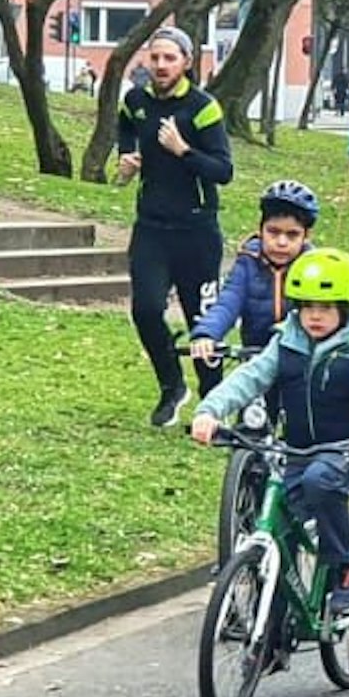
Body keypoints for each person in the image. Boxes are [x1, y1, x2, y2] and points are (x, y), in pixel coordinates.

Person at [191, 248, 349, 615]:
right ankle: (272, 632)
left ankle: (348, 573)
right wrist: (209, 411)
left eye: (326, 308)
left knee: (320, 483)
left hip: (348, 450)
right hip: (296, 449)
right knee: (276, 514)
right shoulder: (287, 340)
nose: (314, 316)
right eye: (306, 306)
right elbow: (250, 378)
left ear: (346, 307)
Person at [116, 26, 234, 428]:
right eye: (156, 57)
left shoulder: (202, 108)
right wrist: (127, 158)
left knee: (203, 321)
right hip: (151, 228)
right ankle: (172, 386)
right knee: (146, 310)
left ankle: (213, 400)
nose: (162, 65)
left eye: (170, 58)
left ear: (186, 62)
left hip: (196, 232)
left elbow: (223, 171)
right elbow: (126, 126)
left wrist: (183, 150)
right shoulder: (136, 101)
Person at [188, 179, 319, 377]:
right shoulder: (247, 263)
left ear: (306, 236)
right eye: (273, 232)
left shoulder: (315, 267)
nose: (281, 242)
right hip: (255, 358)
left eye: (292, 235)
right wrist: (207, 333)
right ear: (260, 230)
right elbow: (228, 302)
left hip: (300, 359)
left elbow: (337, 307)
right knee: (248, 403)